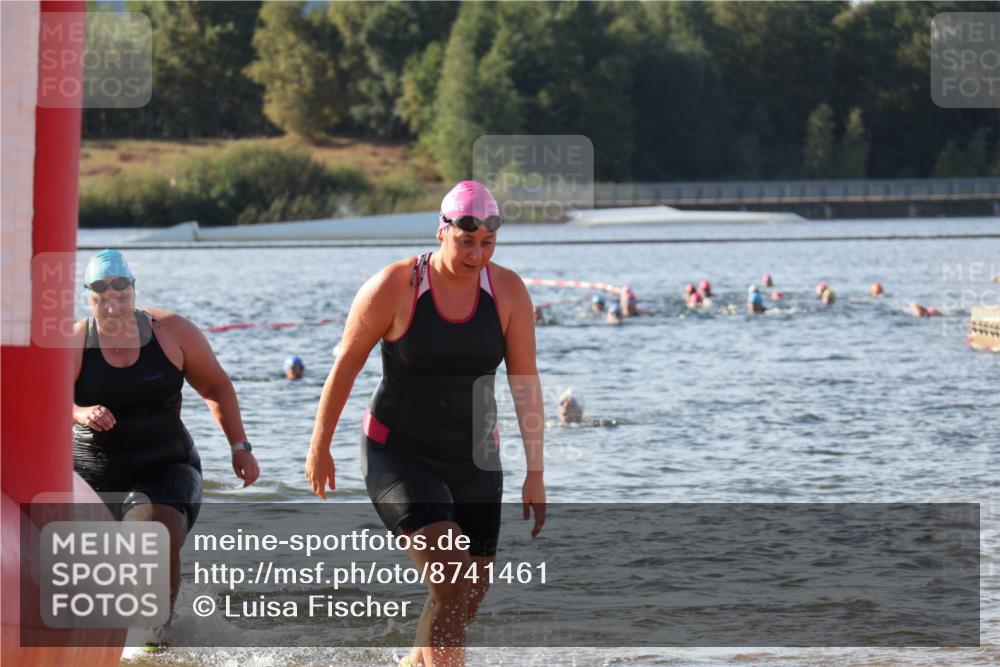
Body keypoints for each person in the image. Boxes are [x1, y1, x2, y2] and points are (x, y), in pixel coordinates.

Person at [305, 181, 545, 667]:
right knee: (451, 583)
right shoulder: (396, 286)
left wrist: (535, 471)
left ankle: (414, 662)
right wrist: (320, 445)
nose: (477, 254)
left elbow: (525, 380)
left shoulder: (508, 292)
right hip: (399, 454)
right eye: (467, 241)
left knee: (465, 598)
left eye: (488, 244)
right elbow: (345, 367)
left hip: (476, 459)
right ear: (442, 230)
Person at [71, 249, 260, 649]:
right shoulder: (73, 342)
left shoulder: (171, 331)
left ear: (133, 290)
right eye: (101, 296)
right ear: (87, 296)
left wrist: (239, 447)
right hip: (92, 473)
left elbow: (215, 386)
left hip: (165, 465)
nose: (112, 305)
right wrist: (79, 411)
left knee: (150, 535)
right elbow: (44, 402)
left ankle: (155, 643)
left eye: (121, 294)